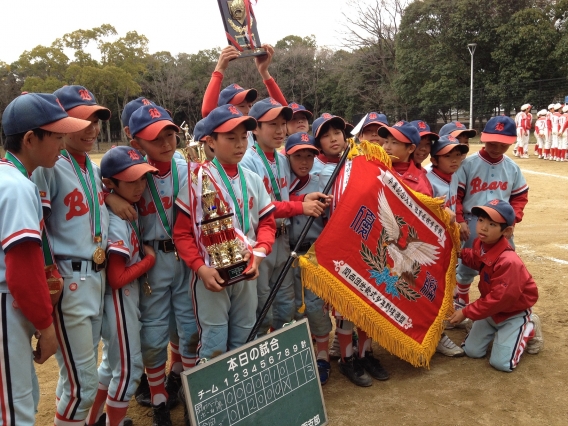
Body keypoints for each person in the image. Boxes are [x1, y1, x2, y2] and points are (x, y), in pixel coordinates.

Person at [0, 92, 89, 426]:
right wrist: (46, 327)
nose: (62, 143)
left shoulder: (10, 178)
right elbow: (22, 271)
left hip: (9, 303)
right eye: (55, 136)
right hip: (5, 305)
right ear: (29, 139)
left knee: (21, 399)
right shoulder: (17, 187)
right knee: (16, 408)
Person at [30, 85, 111, 425]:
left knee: (74, 379)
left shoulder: (91, 169)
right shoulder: (50, 166)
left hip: (96, 277)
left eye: (95, 120)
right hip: (70, 280)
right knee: (83, 387)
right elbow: (38, 227)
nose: (91, 129)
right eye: (82, 120)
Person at [173, 104, 276, 362]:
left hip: (247, 271)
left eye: (244, 137)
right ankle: (206, 400)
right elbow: (182, 234)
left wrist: (259, 255)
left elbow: (267, 223)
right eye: (231, 138)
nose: (240, 144)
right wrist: (200, 268)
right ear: (210, 142)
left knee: (244, 337)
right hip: (212, 276)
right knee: (214, 342)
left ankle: (240, 400)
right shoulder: (197, 180)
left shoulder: (252, 178)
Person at [126, 104, 194, 425]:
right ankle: (159, 402)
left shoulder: (188, 167)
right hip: (152, 261)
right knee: (153, 335)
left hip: (186, 258)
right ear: (136, 142)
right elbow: (106, 193)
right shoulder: (131, 173)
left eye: (170, 134)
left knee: (189, 326)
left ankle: (182, 384)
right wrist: (112, 197)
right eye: (156, 138)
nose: (166, 143)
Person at [85, 147, 158, 426]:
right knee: (128, 369)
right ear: (110, 184)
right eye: (131, 180)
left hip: (120, 300)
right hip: (118, 298)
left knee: (109, 367)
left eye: (142, 178)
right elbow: (116, 278)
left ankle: (92, 422)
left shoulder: (125, 208)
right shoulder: (116, 220)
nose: (140, 185)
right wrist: (148, 262)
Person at [241, 98, 327, 335]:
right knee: (261, 307)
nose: (280, 130)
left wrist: (303, 200)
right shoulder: (247, 162)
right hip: (260, 241)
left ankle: (284, 363)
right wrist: (300, 208)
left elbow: (284, 196)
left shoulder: (281, 159)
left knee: (285, 305)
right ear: (255, 128)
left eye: (283, 124)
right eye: (272, 124)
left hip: (284, 238)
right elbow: (263, 207)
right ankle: (261, 362)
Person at [449, 199, 543, 371]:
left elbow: (499, 299)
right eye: (481, 220)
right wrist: (460, 253)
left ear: (506, 231)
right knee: (472, 351)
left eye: (492, 224)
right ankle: (501, 335)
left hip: (512, 312)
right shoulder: (482, 243)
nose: (483, 227)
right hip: (491, 311)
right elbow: (478, 259)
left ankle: (529, 327)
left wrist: (466, 312)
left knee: (501, 364)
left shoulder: (509, 262)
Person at [454, 116, 529, 311]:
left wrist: (514, 220)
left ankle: (499, 300)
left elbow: (519, 197)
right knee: (468, 263)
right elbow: (458, 196)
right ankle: (461, 297)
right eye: (492, 143)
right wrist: (460, 220)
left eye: (502, 144)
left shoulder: (512, 167)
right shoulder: (468, 164)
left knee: (504, 262)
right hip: (473, 220)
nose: (496, 148)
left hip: (502, 224)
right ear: (484, 138)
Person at [286, 132, 333, 385]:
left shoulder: (321, 182)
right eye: (298, 156)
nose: (304, 161)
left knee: (315, 305)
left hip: (313, 252)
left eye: (309, 155)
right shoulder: (281, 182)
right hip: (285, 250)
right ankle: (300, 355)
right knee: (290, 306)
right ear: (288, 156)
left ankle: (323, 355)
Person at [378, 121, 434, 196]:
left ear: (411, 148)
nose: (387, 147)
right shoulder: (376, 168)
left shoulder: (420, 181)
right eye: (386, 141)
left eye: (394, 142)